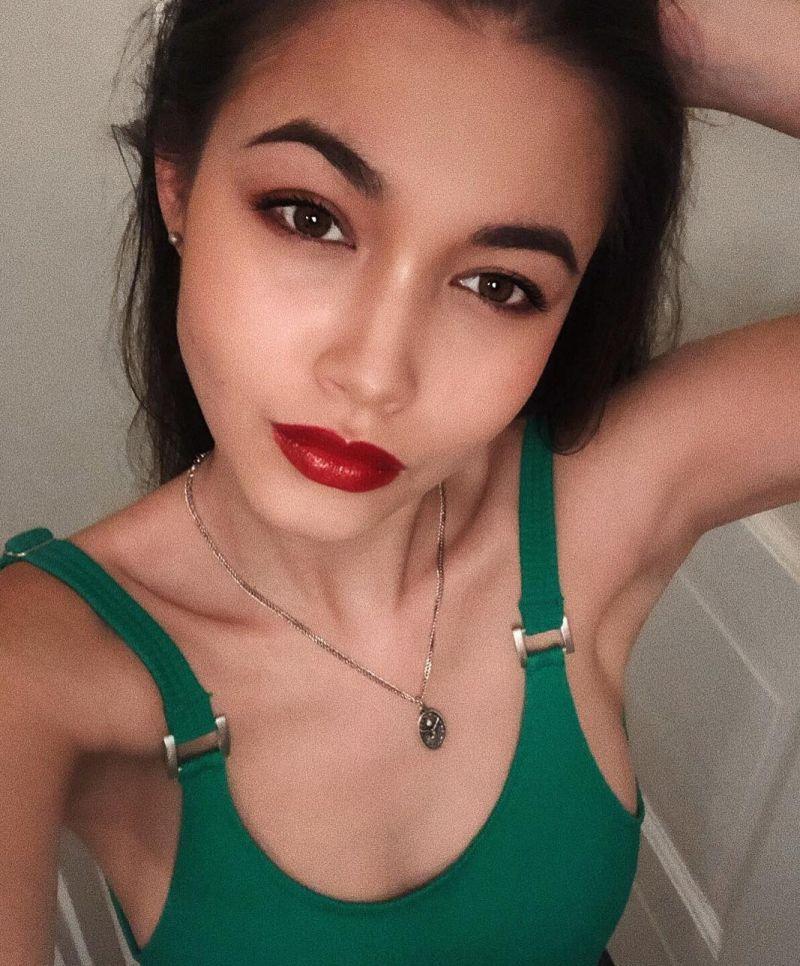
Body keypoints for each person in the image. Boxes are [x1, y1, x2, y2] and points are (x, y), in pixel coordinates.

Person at [1, 0, 798, 963]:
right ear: (177, 179)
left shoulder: (596, 506)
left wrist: (665, 33)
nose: (376, 376)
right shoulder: (36, 669)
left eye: (499, 284)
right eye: (311, 217)